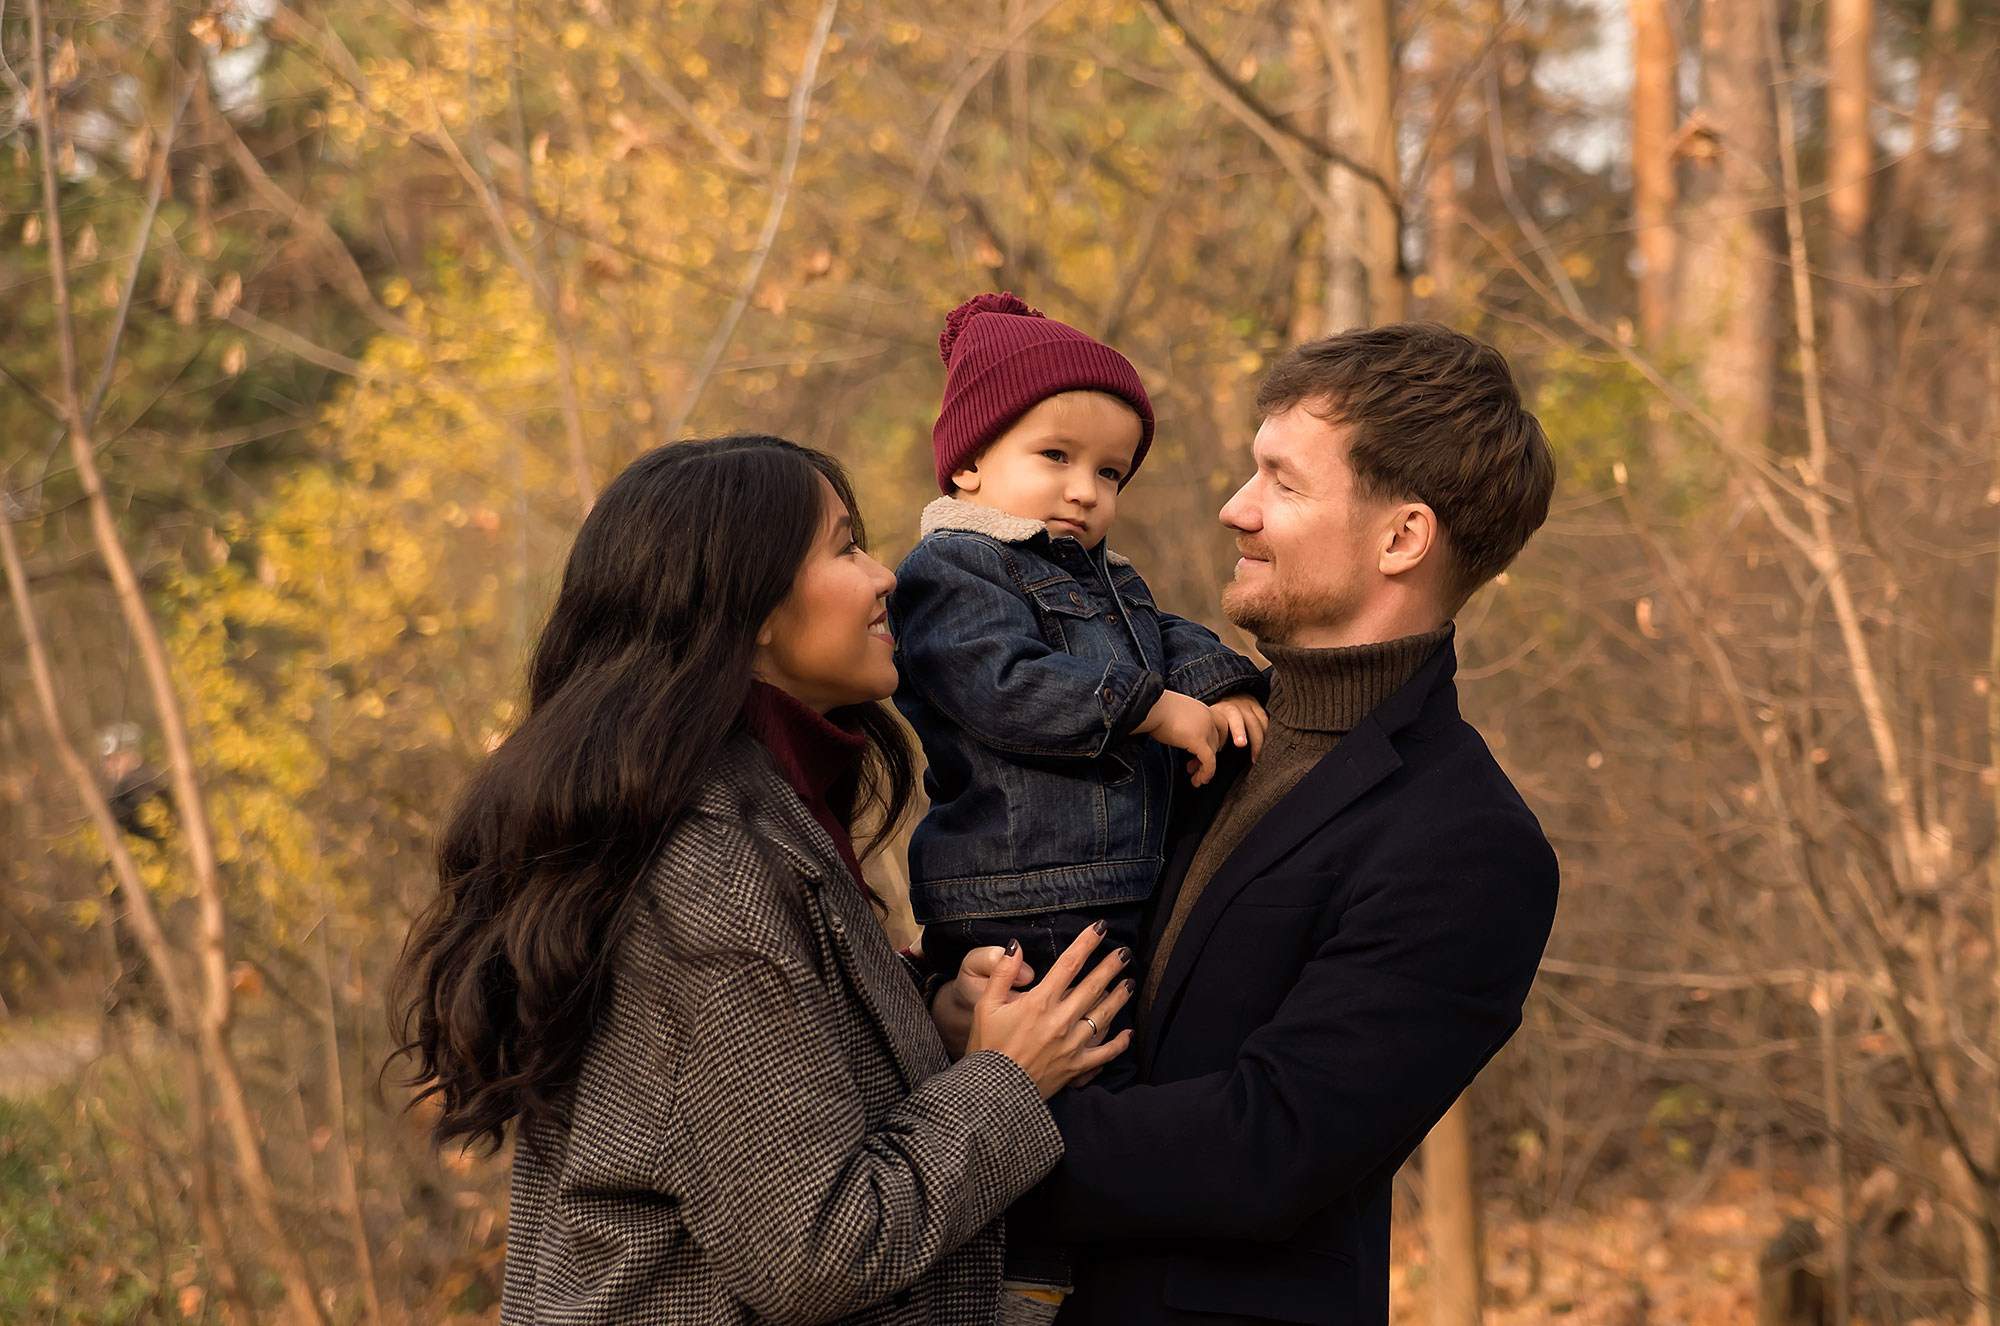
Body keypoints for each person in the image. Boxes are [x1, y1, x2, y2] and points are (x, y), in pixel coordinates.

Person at [390, 435, 1133, 1326]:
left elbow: (768, 1092)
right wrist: (1006, 1080)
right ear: (752, 606)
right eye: (846, 547)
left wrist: (922, 1021)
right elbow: (816, 1251)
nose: (885, 576)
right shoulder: (703, 859)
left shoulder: (754, 809)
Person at [935, 322, 1563, 1325]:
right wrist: (958, 1006)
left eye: (1280, 481)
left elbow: (1264, 1149)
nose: (1234, 509)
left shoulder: (1466, 844)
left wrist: (969, 1124)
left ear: (1400, 537)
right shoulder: (1179, 732)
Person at [888, 294, 1267, 1318]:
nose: (1083, 492)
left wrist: (1221, 681)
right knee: (1057, 1099)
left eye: (1108, 473)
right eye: (1053, 456)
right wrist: (1148, 710)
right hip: (1019, 896)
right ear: (968, 464)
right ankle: (1018, 1289)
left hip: (1112, 888)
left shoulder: (1103, 578)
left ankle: (1080, 1280)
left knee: (1113, 1084)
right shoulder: (950, 570)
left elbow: (1167, 636)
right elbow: (999, 686)